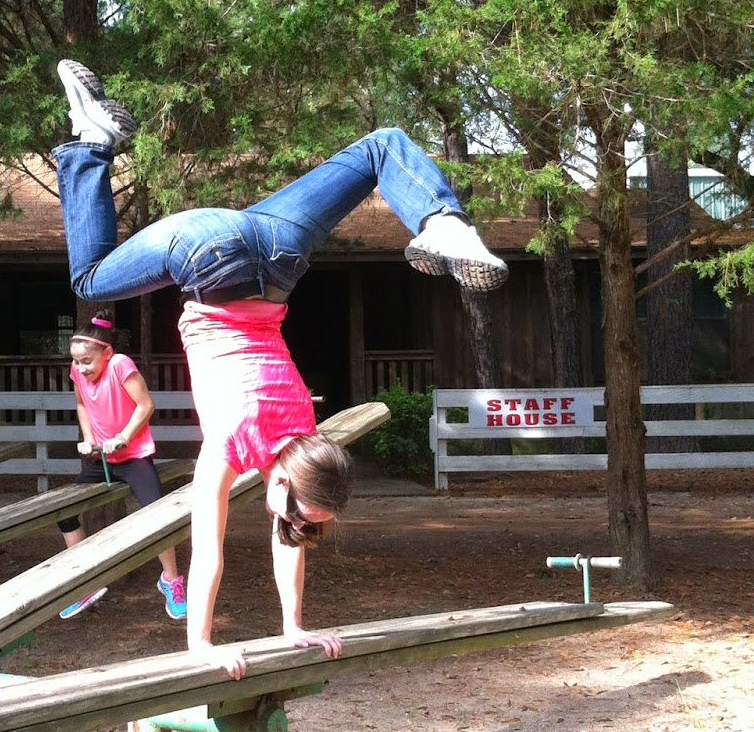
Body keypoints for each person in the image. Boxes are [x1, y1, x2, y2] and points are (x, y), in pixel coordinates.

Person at [53, 59, 508, 678]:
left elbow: (291, 535)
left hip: (276, 250)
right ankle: (92, 145)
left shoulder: (306, 433)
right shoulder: (232, 446)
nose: (289, 525)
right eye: (296, 513)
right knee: (89, 278)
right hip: (206, 255)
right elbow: (207, 553)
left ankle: (441, 219)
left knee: (382, 146)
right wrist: (200, 645)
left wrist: (295, 626)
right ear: (285, 484)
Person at [56, 316, 188, 623]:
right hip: (102, 460)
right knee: (64, 511)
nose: (81, 368)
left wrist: (124, 438)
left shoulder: (120, 365)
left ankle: (170, 580)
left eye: (87, 361)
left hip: (134, 458)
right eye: (77, 362)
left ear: (107, 353)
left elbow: (145, 406)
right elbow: (80, 405)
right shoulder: (78, 371)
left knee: (158, 515)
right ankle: (87, 582)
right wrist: (89, 439)